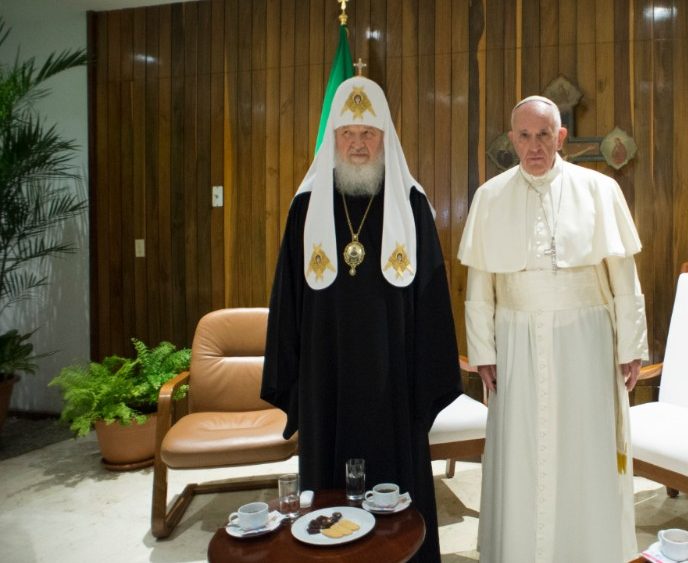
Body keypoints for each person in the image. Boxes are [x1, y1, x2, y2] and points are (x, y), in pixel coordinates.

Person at [261, 75, 461, 563]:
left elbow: (432, 299)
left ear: (385, 138)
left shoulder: (411, 205)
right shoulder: (306, 207)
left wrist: (427, 379)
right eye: (347, 133)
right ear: (333, 139)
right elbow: (287, 298)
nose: (357, 143)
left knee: (397, 478)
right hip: (324, 375)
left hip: (394, 377)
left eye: (367, 133)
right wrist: (292, 376)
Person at [458, 95, 649, 562]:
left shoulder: (600, 190)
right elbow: (480, 286)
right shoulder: (490, 197)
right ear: (512, 140)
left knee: (584, 449)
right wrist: (483, 352)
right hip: (516, 342)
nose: (534, 146)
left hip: (586, 342)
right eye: (524, 136)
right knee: (522, 452)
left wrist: (630, 345)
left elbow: (624, 278)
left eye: (544, 135)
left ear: (560, 137)